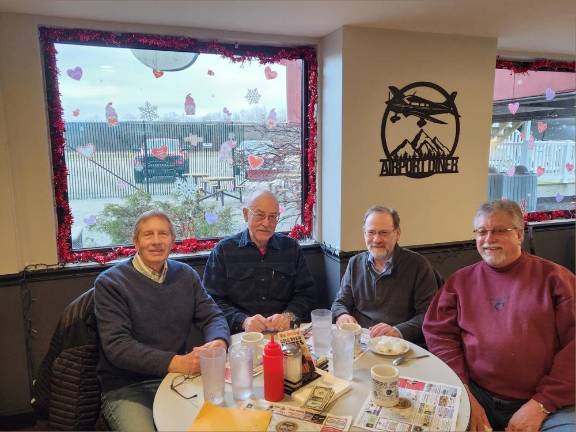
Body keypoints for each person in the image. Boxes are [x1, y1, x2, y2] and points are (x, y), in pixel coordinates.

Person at [423, 200, 575, 432]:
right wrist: (463, 392)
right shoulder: (460, 282)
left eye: (499, 231)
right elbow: (439, 335)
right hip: (477, 392)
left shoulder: (556, 279)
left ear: (519, 235)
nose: (488, 238)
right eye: (482, 231)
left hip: (549, 402)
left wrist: (541, 404)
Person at [95, 210, 230, 432]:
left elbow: (212, 315)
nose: (156, 241)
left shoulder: (186, 275)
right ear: (136, 242)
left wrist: (218, 342)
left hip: (178, 379)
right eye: (148, 235)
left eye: (163, 234)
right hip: (128, 387)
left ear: (172, 241)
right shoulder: (111, 283)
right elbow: (118, 347)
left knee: (219, 424)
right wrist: (177, 362)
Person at [203, 190, 316, 334]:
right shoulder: (224, 251)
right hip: (242, 335)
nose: (266, 223)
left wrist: (289, 316)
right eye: (260, 215)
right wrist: (243, 321)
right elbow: (211, 300)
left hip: (285, 333)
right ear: (245, 214)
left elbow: (306, 293)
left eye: (273, 216)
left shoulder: (291, 248)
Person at [331, 206, 439, 343]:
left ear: (397, 234)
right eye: (371, 232)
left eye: (384, 233)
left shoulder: (418, 265)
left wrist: (399, 331)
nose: (376, 239)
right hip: (361, 342)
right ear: (364, 234)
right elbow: (340, 302)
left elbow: (429, 315)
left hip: (398, 346)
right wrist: (342, 315)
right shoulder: (355, 264)